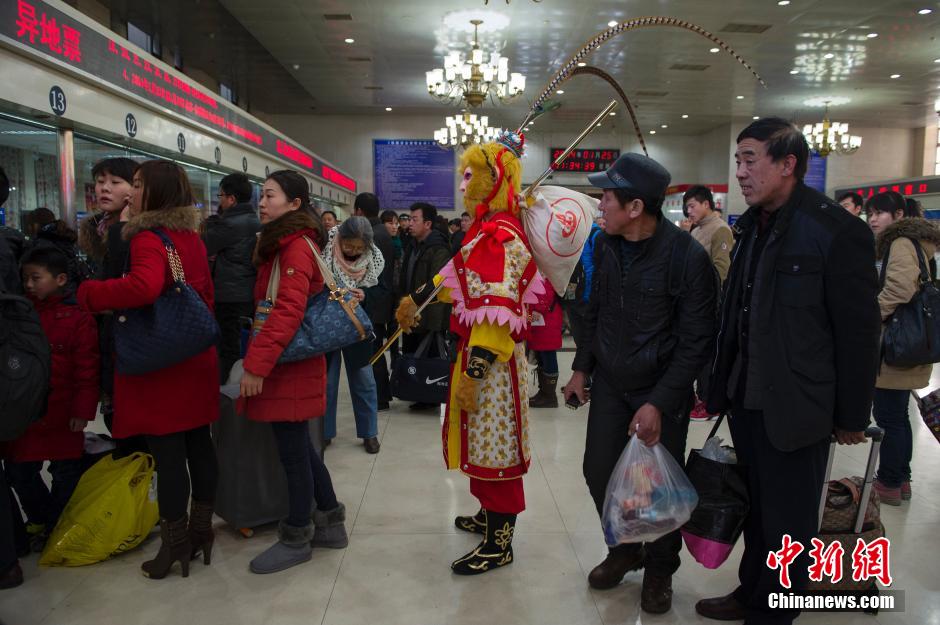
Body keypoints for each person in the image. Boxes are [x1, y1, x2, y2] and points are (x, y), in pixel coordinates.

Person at [696, 118, 881, 625]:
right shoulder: (751, 227)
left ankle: (774, 613)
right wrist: (717, 385)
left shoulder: (835, 231)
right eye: (738, 160)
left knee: (790, 524)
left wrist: (851, 414)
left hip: (799, 404)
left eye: (750, 159)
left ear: (788, 164)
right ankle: (752, 593)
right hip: (747, 398)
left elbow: (859, 332)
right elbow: (737, 313)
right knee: (755, 509)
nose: (740, 172)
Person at [561, 153, 717, 614]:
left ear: (634, 208)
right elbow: (595, 313)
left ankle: (660, 570)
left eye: (607, 196)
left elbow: (696, 341)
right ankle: (625, 549)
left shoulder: (687, 258)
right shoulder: (605, 246)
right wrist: (582, 368)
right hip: (611, 382)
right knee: (599, 470)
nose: (599, 204)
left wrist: (660, 402)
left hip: (661, 389)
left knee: (657, 486)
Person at [396, 131, 540, 575]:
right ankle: (486, 516)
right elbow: (457, 276)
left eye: (471, 175)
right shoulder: (485, 230)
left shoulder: (500, 235)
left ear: (495, 181)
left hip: (491, 362)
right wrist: (419, 299)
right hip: (477, 354)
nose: (463, 185)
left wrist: (475, 372)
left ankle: (500, 543)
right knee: (479, 443)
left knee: (496, 451)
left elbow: (497, 311)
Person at [77, 160, 220, 580]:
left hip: (161, 363)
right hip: (193, 353)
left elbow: (143, 286)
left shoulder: (145, 237)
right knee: (200, 445)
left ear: (155, 192)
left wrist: (90, 293)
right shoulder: (190, 235)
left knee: (169, 456)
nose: (131, 191)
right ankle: (201, 531)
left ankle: (174, 543)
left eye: (136, 184)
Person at [240, 170, 347, 575]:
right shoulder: (283, 243)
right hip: (288, 360)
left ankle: (297, 536)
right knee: (299, 446)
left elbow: (287, 311)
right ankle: (330, 524)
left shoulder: (295, 247)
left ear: (295, 204)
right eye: (261, 195)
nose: (262, 202)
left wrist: (256, 366)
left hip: (289, 363)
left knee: (293, 454)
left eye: (270, 195)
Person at [6, 247, 99, 553]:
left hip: (63, 412)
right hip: (26, 413)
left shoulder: (78, 318)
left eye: (36, 278)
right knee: (19, 472)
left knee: (65, 473)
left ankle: (56, 525)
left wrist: (83, 410)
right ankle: (42, 518)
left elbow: (87, 369)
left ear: (60, 279)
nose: (29, 284)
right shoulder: (18, 313)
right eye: (25, 278)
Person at [866, 191, 940, 505]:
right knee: (898, 416)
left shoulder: (900, 243)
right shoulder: (919, 243)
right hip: (912, 342)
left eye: (879, 213)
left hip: (895, 343)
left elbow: (900, 288)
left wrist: (870, 317)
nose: (873, 219)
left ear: (898, 215)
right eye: (870, 213)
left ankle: (889, 482)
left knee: (889, 417)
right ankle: (901, 478)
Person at [78, 157, 138, 440]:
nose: (104, 188)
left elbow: (123, 285)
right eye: (100, 181)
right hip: (105, 336)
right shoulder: (97, 230)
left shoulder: (141, 232)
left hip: (133, 338)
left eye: (115, 182)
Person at [322, 216, 384, 453]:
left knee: (364, 381)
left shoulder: (375, 258)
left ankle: (369, 433)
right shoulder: (326, 249)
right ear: (341, 239)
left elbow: (384, 289)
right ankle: (325, 432)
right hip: (329, 324)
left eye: (359, 248)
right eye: (349, 245)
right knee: (327, 382)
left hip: (358, 327)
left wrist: (366, 295)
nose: (353, 251)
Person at [203, 173, 261, 383]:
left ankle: (226, 389)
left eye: (220, 196)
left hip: (228, 295)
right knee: (243, 342)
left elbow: (204, 245)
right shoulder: (255, 220)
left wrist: (211, 224)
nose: (219, 201)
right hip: (247, 291)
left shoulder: (229, 223)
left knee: (228, 346)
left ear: (231, 199)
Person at [682, 185, 733, 421]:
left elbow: (722, 270)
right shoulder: (696, 230)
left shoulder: (720, 229)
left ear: (706, 204)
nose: (689, 211)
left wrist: (706, 298)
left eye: (692, 206)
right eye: (687, 207)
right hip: (692, 303)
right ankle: (698, 397)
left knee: (707, 355)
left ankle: (708, 401)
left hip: (708, 305)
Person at [399, 202, 452, 409]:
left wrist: (435, 322)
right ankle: (418, 392)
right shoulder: (413, 245)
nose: (409, 223)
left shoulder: (439, 248)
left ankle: (428, 396)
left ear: (428, 223)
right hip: (412, 311)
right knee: (414, 354)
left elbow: (436, 285)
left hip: (428, 314)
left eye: (415, 219)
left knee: (428, 357)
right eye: (409, 219)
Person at [352, 193, 395, 412]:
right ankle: (381, 394)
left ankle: (379, 396)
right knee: (375, 350)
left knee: (373, 351)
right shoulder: (382, 232)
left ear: (359, 211)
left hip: (372, 299)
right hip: (382, 299)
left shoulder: (370, 234)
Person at [528, 278, 563, 408]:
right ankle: (544, 392)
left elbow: (547, 289)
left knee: (548, 355)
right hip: (542, 318)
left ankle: (549, 396)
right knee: (542, 356)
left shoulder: (546, 270)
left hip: (546, 317)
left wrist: (538, 308)